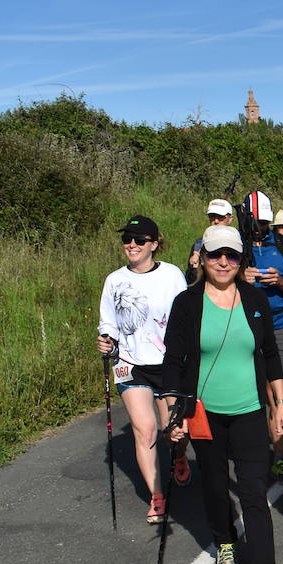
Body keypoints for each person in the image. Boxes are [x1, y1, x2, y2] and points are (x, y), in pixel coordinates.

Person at [160, 225, 283, 564]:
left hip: (250, 411)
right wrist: (174, 414)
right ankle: (226, 541)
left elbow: (270, 355)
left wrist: (279, 404)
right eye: (215, 254)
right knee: (215, 487)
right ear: (201, 257)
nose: (223, 262)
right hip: (204, 414)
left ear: (240, 259)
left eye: (231, 255)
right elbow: (173, 361)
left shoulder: (254, 299)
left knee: (253, 492)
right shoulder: (187, 303)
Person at [97, 215, 190, 524]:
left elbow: (185, 315)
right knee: (144, 430)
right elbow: (108, 321)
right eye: (127, 239)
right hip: (131, 364)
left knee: (172, 430)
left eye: (139, 240)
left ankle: (178, 457)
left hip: (167, 363)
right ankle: (157, 496)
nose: (131, 245)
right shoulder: (114, 280)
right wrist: (107, 342)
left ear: (153, 244)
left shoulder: (172, 275)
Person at [240, 191, 283, 484]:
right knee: (252, 398)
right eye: (256, 223)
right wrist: (241, 277)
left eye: (265, 223)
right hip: (243, 326)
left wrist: (277, 280)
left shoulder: (282, 244)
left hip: (280, 325)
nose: (260, 229)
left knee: (279, 398)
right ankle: (250, 454)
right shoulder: (235, 246)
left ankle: (279, 459)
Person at [187, 198, 233, 282]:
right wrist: (193, 269)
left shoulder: (238, 245)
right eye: (212, 217)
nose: (215, 221)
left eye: (220, 217)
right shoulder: (199, 245)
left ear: (230, 219)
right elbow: (190, 280)